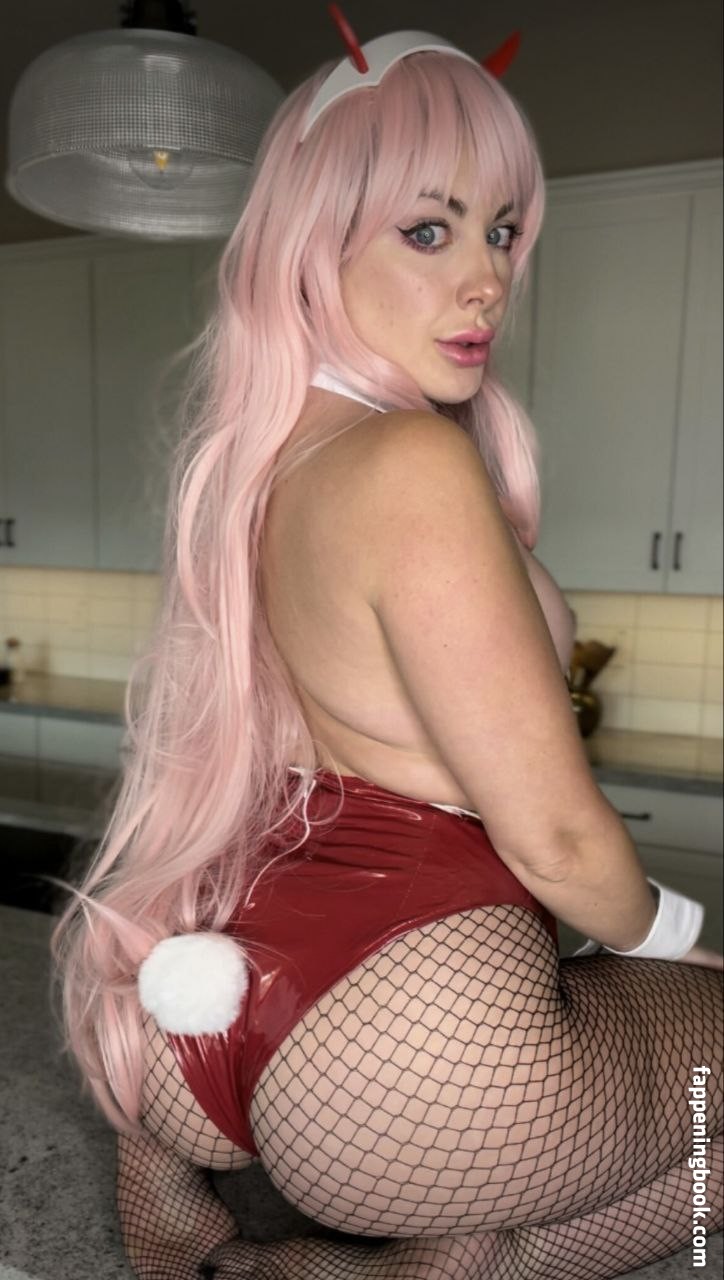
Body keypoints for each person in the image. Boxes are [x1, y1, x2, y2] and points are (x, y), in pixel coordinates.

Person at [51, 13, 722, 1280]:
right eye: (429, 229)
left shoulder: (261, 465)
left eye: (501, 231)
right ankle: (427, 1262)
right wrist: (676, 933)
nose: (486, 279)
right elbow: (557, 841)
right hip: (413, 1047)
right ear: (315, 241)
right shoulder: (408, 462)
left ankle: (247, 1211)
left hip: (220, 1012)